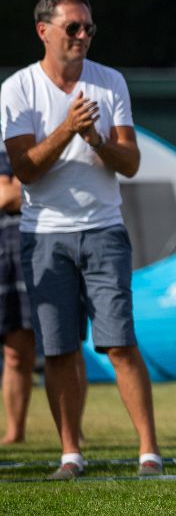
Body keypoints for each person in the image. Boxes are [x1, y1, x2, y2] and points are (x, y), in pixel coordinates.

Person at [0, 0, 161, 479]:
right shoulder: (19, 89)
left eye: (89, 27)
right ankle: (70, 453)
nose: (84, 36)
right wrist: (70, 128)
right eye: (73, 27)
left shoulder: (110, 82)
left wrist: (96, 139)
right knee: (60, 349)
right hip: (44, 233)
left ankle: (149, 453)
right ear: (43, 30)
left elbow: (130, 162)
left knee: (119, 343)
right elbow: (25, 170)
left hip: (104, 229)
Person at [0, 142, 32, 445]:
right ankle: (15, 432)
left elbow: (11, 194)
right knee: (14, 351)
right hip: (7, 251)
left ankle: (73, 432)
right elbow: (5, 195)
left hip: (45, 241)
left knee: (68, 346)